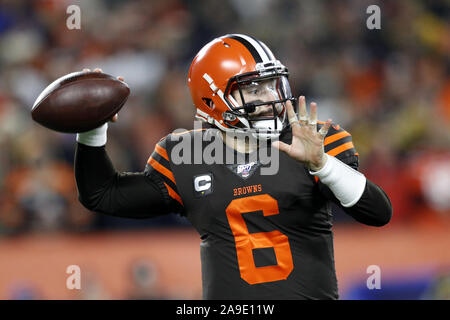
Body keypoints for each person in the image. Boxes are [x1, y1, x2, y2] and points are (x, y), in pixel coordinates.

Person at [74, 34, 392, 299]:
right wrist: (91, 129)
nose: (271, 97)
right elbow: (102, 195)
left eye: (271, 84)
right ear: (212, 101)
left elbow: (379, 213)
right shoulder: (187, 154)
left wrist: (323, 164)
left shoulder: (311, 140)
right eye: (254, 89)